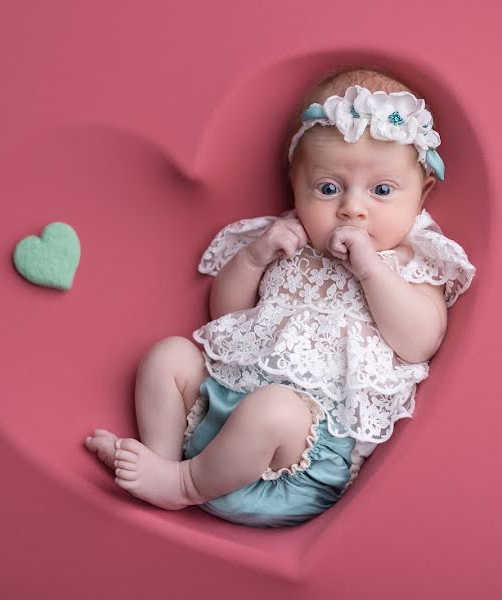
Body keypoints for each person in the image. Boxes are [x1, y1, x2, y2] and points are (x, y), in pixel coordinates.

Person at [84, 67, 476, 527]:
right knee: (168, 356)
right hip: (219, 417)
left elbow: (419, 341)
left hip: (299, 458)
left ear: (422, 194)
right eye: (327, 188)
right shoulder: (286, 239)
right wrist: (253, 257)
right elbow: (226, 314)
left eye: (382, 191)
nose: (352, 207)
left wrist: (370, 269)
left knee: (274, 409)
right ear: (296, 182)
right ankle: (160, 459)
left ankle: (182, 486)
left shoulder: (412, 261)